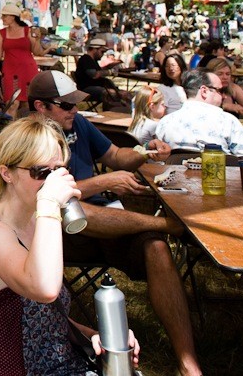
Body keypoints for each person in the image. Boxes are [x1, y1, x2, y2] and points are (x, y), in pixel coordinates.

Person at [25, 71, 202, 376]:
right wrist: (104, 182)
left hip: (107, 222)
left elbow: (117, 156)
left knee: (157, 248)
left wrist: (145, 151)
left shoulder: (77, 123)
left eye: (76, 103)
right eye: (66, 105)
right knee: (76, 211)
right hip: (57, 229)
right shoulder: (28, 136)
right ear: (41, 106)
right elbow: (45, 193)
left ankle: (188, 363)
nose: (75, 110)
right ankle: (167, 225)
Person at [0, 115, 137, 376]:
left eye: (58, 170)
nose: (52, 182)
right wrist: (49, 205)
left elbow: (46, 316)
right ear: (6, 173)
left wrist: (95, 335)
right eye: (41, 172)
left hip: (65, 362)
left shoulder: (36, 220)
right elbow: (44, 290)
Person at [153, 69, 243, 158]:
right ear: (204, 91)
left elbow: (156, 159)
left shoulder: (165, 122)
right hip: (221, 178)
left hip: (173, 177)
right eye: (220, 91)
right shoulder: (227, 121)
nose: (224, 96)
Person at [0, 2, 42, 105]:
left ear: (13, 17)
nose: (2, 18)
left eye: (4, 15)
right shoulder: (2, 33)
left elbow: (36, 51)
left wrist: (38, 40)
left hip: (27, 69)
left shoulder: (27, 31)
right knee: (12, 103)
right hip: (10, 70)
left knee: (27, 104)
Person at [74, 37, 127, 109]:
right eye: (102, 52)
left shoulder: (92, 60)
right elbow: (94, 75)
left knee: (124, 94)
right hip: (87, 89)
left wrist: (110, 66)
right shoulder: (86, 59)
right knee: (111, 94)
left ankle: (120, 110)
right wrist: (110, 72)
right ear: (95, 49)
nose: (103, 54)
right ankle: (112, 112)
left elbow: (99, 71)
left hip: (97, 87)